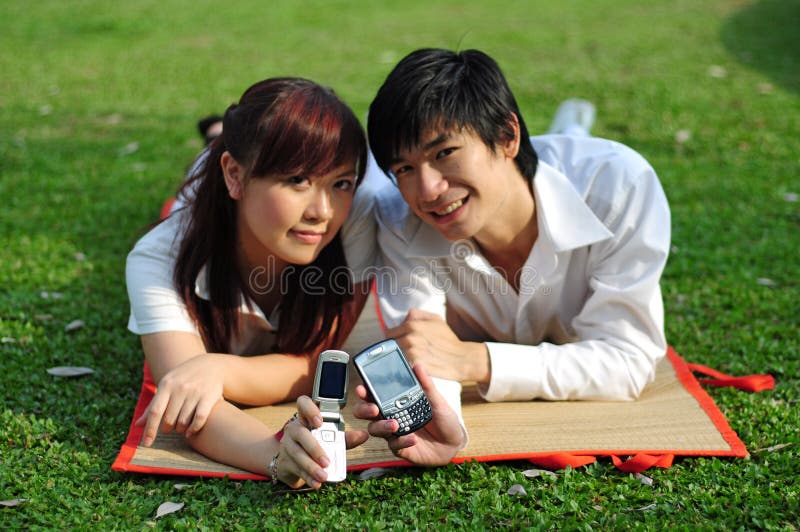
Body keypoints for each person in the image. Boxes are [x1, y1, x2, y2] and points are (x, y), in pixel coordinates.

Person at [356, 47, 670, 451]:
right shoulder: (399, 216)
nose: (428, 190)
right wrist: (441, 425)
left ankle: (572, 126)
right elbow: (427, 349)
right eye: (404, 168)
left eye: (444, 153)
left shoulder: (621, 187)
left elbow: (628, 360)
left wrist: (478, 360)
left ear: (507, 135)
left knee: (571, 147)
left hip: (562, 169)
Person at [126, 77, 378, 488]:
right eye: (297, 179)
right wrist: (276, 453)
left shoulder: (356, 217)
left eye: (341, 182)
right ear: (236, 175)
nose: (323, 211)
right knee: (200, 172)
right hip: (210, 195)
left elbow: (315, 361)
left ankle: (220, 137)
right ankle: (215, 138)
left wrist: (216, 368)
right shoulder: (159, 257)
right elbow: (187, 405)